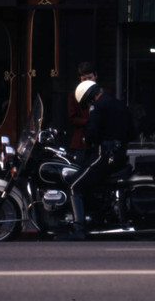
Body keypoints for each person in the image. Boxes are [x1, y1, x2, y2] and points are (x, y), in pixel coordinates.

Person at [57, 80, 134, 241]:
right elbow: (132, 131)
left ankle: (78, 229)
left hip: (105, 154)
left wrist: (89, 140)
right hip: (120, 154)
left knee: (74, 185)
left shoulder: (97, 107)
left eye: (87, 101)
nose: (88, 104)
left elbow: (91, 133)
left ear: (90, 97)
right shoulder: (119, 104)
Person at [67, 62, 98, 163]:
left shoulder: (102, 94)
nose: (87, 81)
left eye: (90, 78)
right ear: (80, 79)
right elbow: (72, 118)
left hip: (99, 141)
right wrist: (90, 121)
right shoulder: (73, 95)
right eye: (84, 79)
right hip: (81, 142)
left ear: (95, 76)